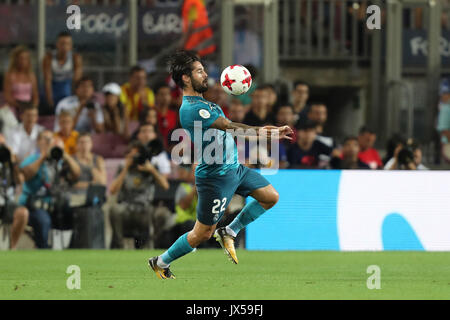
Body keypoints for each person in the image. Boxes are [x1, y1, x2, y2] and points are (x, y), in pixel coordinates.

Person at [148, 50, 293, 279]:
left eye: (204, 70)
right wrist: (266, 132)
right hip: (214, 177)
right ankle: (160, 261)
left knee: (270, 197)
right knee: (202, 234)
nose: (205, 75)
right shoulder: (191, 108)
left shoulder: (206, 103)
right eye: (199, 71)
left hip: (234, 168)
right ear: (186, 78)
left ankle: (230, 230)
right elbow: (229, 126)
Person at [18, 130, 80, 249]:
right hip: (34, 206)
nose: (48, 142)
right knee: (43, 220)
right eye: (45, 139)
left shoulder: (59, 161)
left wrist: (64, 154)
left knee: (76, 215)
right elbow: (26, 174)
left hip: (55, 205)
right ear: (39, 142)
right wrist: (43, 157)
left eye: (50, 139)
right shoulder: (33, 159)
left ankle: (72, 250)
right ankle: (43, 250)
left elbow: (77, 173)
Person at [109, 141, 171, 249]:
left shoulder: (150, 168)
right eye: (133, 155)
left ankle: (149, 245)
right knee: (114, 209)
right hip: (126, 207)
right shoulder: (123, 167)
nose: (136, 158)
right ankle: (119, 246)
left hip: (145, 208)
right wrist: (125, 168)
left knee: (157, 213)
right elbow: (113, 190)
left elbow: (165, 186)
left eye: (138, 155)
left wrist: (152, 170)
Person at [0, 134, 29, 250]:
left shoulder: (9, 163)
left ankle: (12, 248)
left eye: (2, 145)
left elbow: (20, 181)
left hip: (7, 202)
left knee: (23, 213)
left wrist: (13, 162)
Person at [43, 32, 83, 109]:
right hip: (53, 85)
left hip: (67, 85)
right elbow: (47, 80)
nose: (64, 46)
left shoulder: (75, 58)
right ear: (57, 44)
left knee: (66, 90)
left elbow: (77, 80)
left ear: (71, 46)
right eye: (62, 43)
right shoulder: (49, 58)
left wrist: (75, 98)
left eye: (67, 44)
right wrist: (49, 99)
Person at [3, 46, 39, 113]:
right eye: (21, 58)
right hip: (14, 106)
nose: (23, 61)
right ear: (15, 60)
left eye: (26, 58)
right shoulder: (9, 75)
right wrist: (20, 106)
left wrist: (33, 106)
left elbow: (35, 95)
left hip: (28, 107)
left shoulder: (31, 76)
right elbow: (7, 96)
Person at [154, 82, 178, 148]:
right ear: (155, 96)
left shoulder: (174, 114)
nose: (165, 97)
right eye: (162, 94)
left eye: (167, 94)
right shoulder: (151, 112)